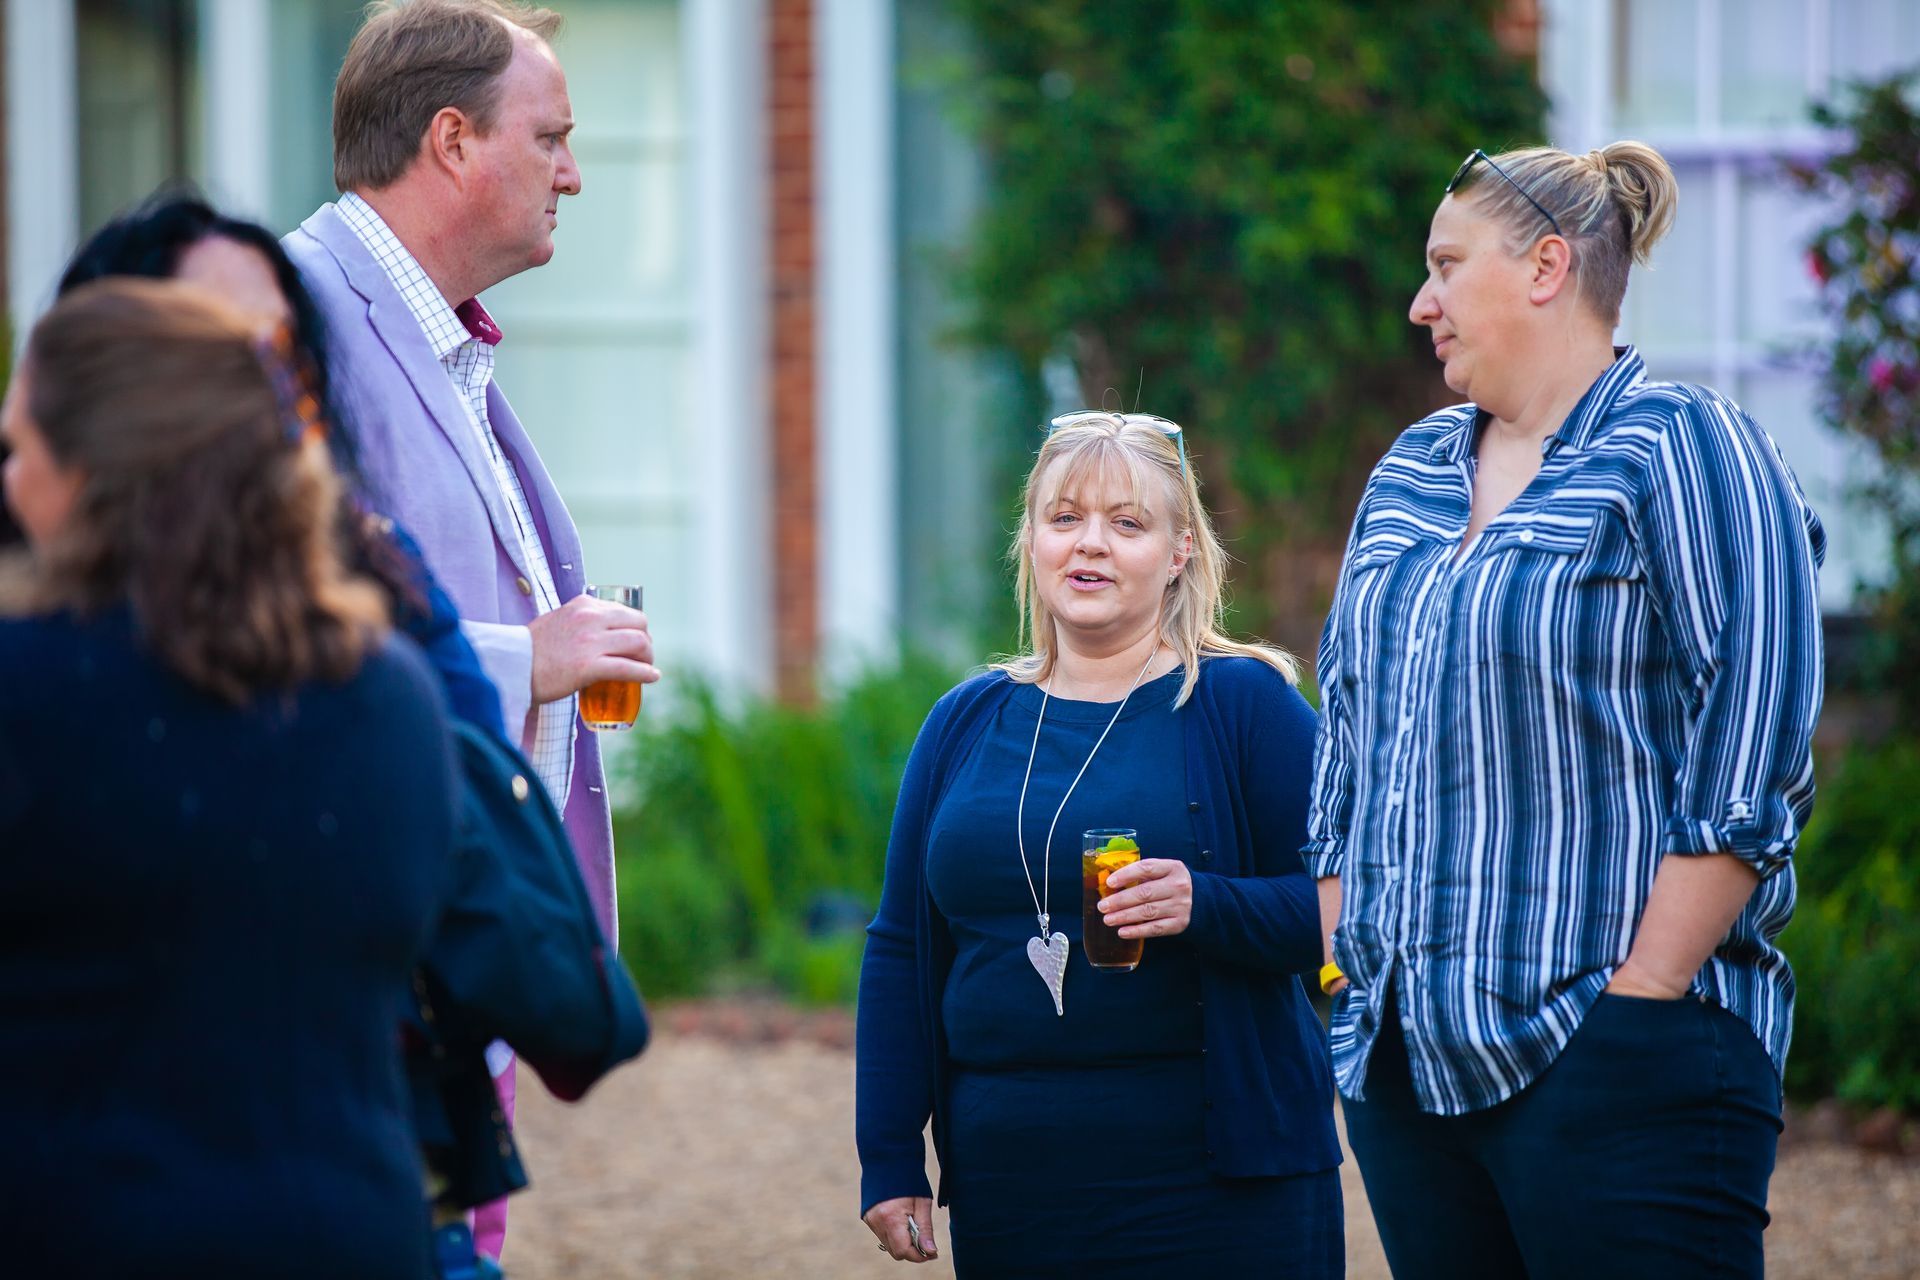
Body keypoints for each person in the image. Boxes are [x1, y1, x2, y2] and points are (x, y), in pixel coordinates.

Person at [1309, 141, 1825, 1279]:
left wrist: (1640, 1001)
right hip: (1406, 1071)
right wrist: (1347, 970)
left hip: (1620, 1059)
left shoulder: (1688, 449)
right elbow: (1345, 733)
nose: (1420, 302)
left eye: (1446, 265)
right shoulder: (1413, 468)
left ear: (1546, 267)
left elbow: (1755, 740)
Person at [283, 2, 658, 1256]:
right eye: (550, 137)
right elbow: (254, 627)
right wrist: (528, 660)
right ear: (452, 141)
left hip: (446, 982)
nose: (575, 171)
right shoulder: (300, 321)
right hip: (352, 991)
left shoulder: (439, 342)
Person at [0, 278, 458, 1279]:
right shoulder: (392, 699)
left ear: (90, 476)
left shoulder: (27, 694)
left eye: (19, 449)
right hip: (350, 1229)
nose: (9, 482)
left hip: (80, 1228)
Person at [855, 413, 1343, 1277]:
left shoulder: (1244, 706)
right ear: (1032, 541)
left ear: (1180, 550)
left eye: (1127, 523)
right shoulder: (964, 721)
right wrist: (889, 1156)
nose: (1092, 545)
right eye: (1065, 517)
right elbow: (900, 949)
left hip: (1216, 1182)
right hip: (1014, 1181)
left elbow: (1363, 911)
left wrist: (1209, 903)